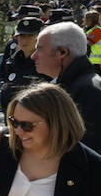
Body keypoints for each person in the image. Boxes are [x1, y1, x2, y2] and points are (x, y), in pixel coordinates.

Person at [33, 21, 101, 152]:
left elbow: (87, 154)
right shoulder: (75, 86)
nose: (33, 56)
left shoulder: (88, 92)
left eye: (39, 49)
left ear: (62, 52)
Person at [0, 16, 42, 109]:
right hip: (11, 116)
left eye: (30, 35)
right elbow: (2, 76)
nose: (25, 40)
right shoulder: (12, 60)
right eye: (21, 35)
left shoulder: (46, 62)